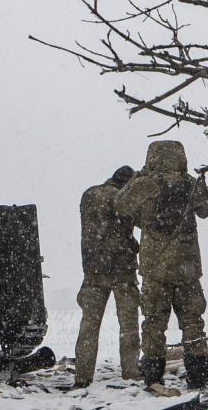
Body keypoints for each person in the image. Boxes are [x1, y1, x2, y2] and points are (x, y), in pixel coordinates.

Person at [115, 140, 208, 390]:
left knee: (153, 323)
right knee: (193, 322)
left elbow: (120, 205)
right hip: (187, 268)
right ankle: (198, 374)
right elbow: (207, 208)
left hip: (155, 268)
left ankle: (152, 375)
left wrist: (139, 178)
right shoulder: (188, 183)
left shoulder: (145, 183)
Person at [73, 165, 141, 388]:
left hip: (93, 269)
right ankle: (131, 372)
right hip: (123, 269)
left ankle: (83, 376)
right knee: (128, 325)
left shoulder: (89, 194)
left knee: (89, 326)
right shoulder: (124, 198)